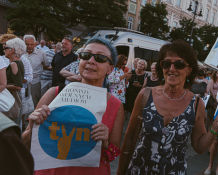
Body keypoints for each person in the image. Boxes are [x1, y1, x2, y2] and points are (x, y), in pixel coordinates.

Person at [117, 40, 218, 175]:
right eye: (166, 64)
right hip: (139, 169)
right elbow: (129, 139)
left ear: (189, 70)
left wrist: (214, 128)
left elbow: (199, 147)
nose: (172, 69)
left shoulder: (196, 104)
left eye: (179, 64)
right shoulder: (145, 95)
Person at [21, 37, 125, 175]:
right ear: (79, 60)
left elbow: (113, 155)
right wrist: (32, 128)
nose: (91, 61)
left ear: (110, 69)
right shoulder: (54, 94)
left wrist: (105, 142)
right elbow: (24, 144)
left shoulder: (115, 105)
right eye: (86, 55)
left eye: (100, 58)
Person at [2, 38, 25, 124]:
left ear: (12, 50)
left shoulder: (14, 64)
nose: (4, 50)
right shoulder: (18, 62)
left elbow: (18, 86)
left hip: (12, 98)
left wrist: (3, 85)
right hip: (13, 98)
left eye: (6, 48)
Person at [23, 35, 49, 108]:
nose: (29, 46)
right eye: (27, 44)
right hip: (22, 83)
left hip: (35, 82)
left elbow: (46, 64)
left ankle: (32, 118)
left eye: (31, 44)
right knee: (23, 103)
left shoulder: (41, 53)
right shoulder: (20, 52)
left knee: (35, 102)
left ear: (35, 44)